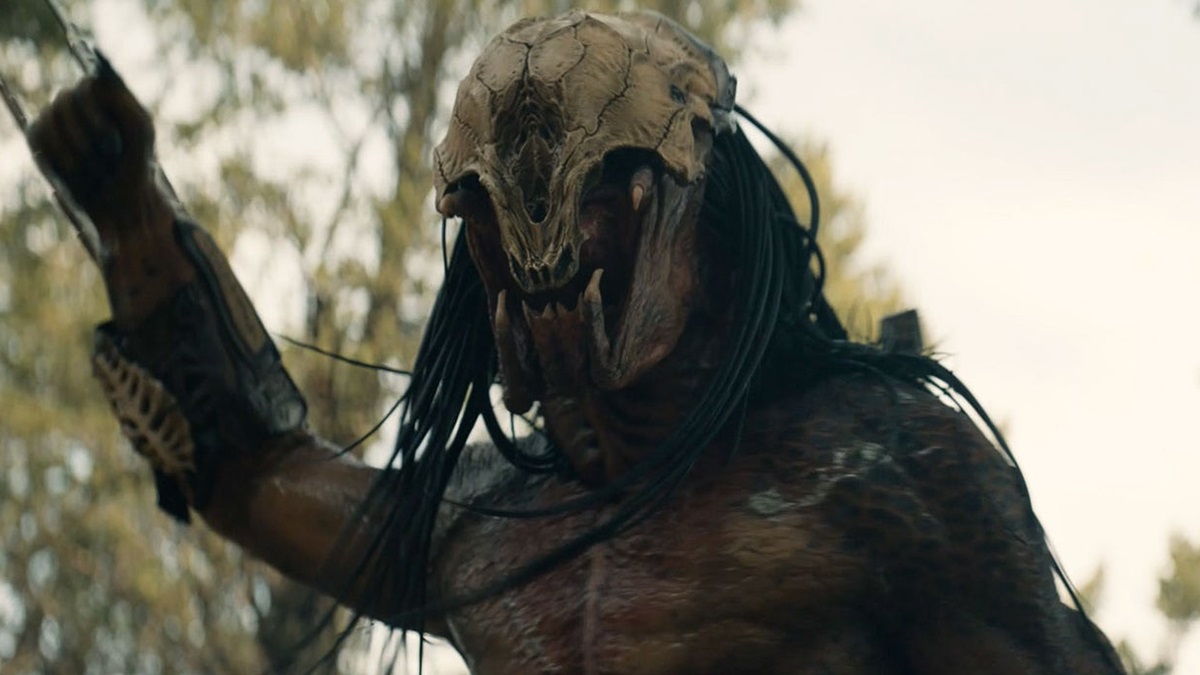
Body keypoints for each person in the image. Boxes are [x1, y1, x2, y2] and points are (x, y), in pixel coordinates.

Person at [27, 10, 1125, 674]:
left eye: (607, 191)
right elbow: (246, 472)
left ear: (693, 210)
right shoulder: (480, 523)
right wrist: (131, 216)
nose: (553, 238)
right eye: (495, 208)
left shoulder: (879, 473)